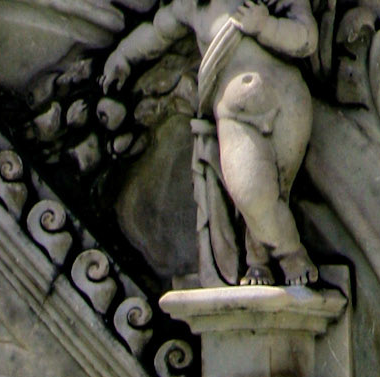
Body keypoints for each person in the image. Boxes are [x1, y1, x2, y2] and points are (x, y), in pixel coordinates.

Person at [105, 0, 319, 285]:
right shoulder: (193, 6)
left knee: (276, 191)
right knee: (250, 192)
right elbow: (157, 32)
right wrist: (122, 56)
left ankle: (257, 261)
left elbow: (307, 38)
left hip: (289, 101)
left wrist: (266, 26)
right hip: (238, 115)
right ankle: (291, 253)